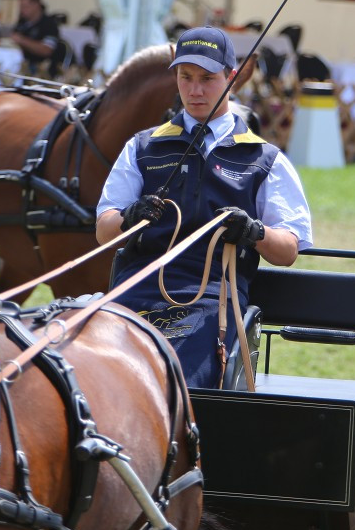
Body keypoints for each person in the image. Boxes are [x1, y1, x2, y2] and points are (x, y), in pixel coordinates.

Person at [95, 26, 313, 389]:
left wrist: (254, 232)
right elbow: (104, 231)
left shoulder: (264, 159)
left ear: (231, 78)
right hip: (137, 288)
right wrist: (129, 217)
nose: (194, 90)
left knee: (170, 379)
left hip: (214, 299)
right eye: (186, 77)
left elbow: (288, 250)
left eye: (207, 79)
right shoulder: (142, 147)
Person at [10, 0, 60, 75]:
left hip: (41, 69)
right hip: (21, 65)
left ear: (36, 5)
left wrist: (22, 40)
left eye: (26, 7)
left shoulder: (49, 24)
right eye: (21, 7)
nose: (22, 10)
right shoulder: (22, 23)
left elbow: (47, 50)